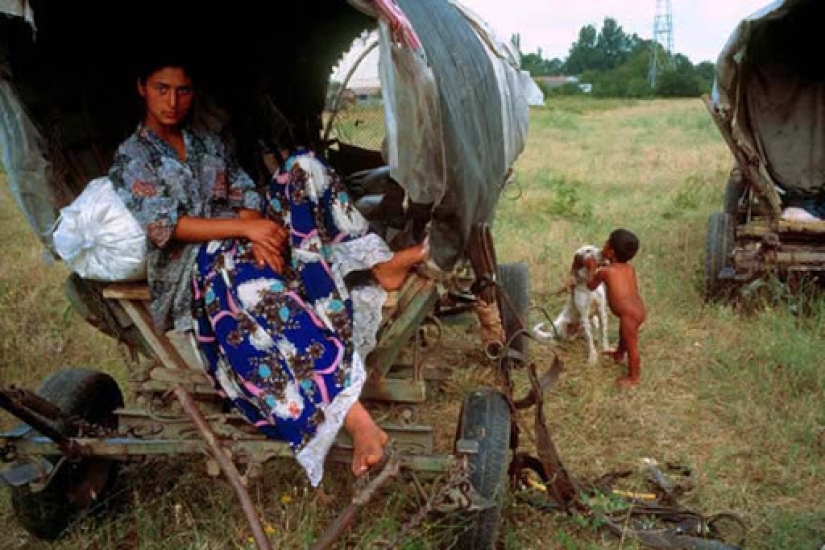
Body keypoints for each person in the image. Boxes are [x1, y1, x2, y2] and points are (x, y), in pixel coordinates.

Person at [108, 56, 428, 487]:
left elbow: (244, 190)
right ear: (141, 88)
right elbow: (168, 226)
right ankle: (352, 414)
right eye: (162, 89)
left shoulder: (205, 142)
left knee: (302, 166)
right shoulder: (133, 156)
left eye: (183, 91)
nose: (173, 101)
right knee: (242, 271)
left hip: (242, 236)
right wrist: (247, 230)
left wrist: (260, 233)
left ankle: (379, 264)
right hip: (191, 262)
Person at [583, 229, 646, 387]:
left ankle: (634, 377)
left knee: (632, 345)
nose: (603, 245)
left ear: (610, 251)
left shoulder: (605, 272)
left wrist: (591, 268)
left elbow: (591, 286)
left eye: (606, 242)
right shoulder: (629, 269)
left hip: (629, 314)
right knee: (624, 334)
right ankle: (618, 354)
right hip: (637, 309)